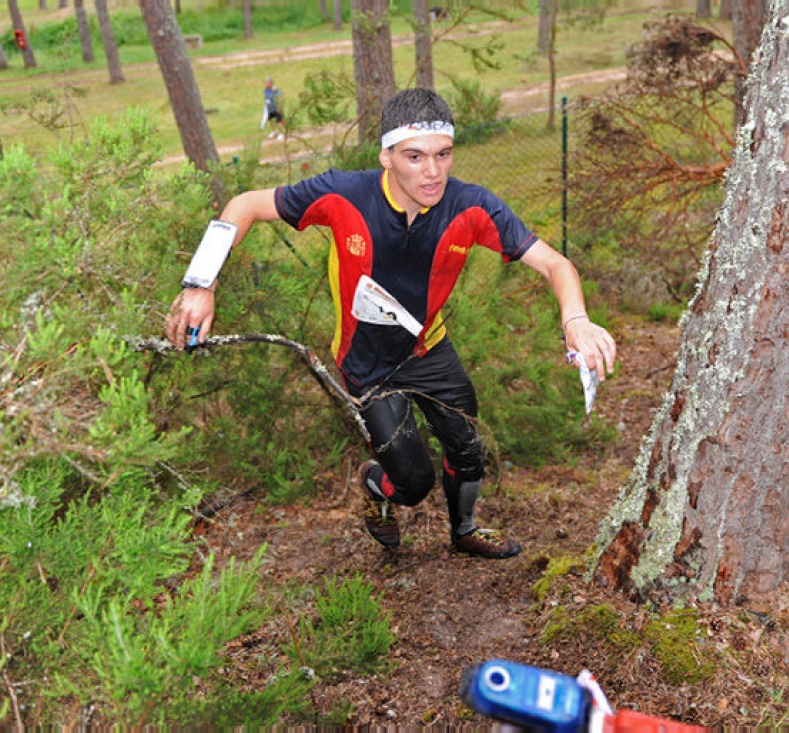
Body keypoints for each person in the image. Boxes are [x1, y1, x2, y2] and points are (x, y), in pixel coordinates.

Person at [167, 88, 617, 559]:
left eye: (443, 155)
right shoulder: (344, 194)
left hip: (430, 350)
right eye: (415, 156)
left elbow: (554, 265)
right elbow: (246, 203)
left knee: (468, 448)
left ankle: (464, 531)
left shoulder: (471, 206)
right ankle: (374, 485)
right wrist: (201, 281)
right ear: (386, 156)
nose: (433, 172)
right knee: (413, 481)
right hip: (367, 364)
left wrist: (576, 319)